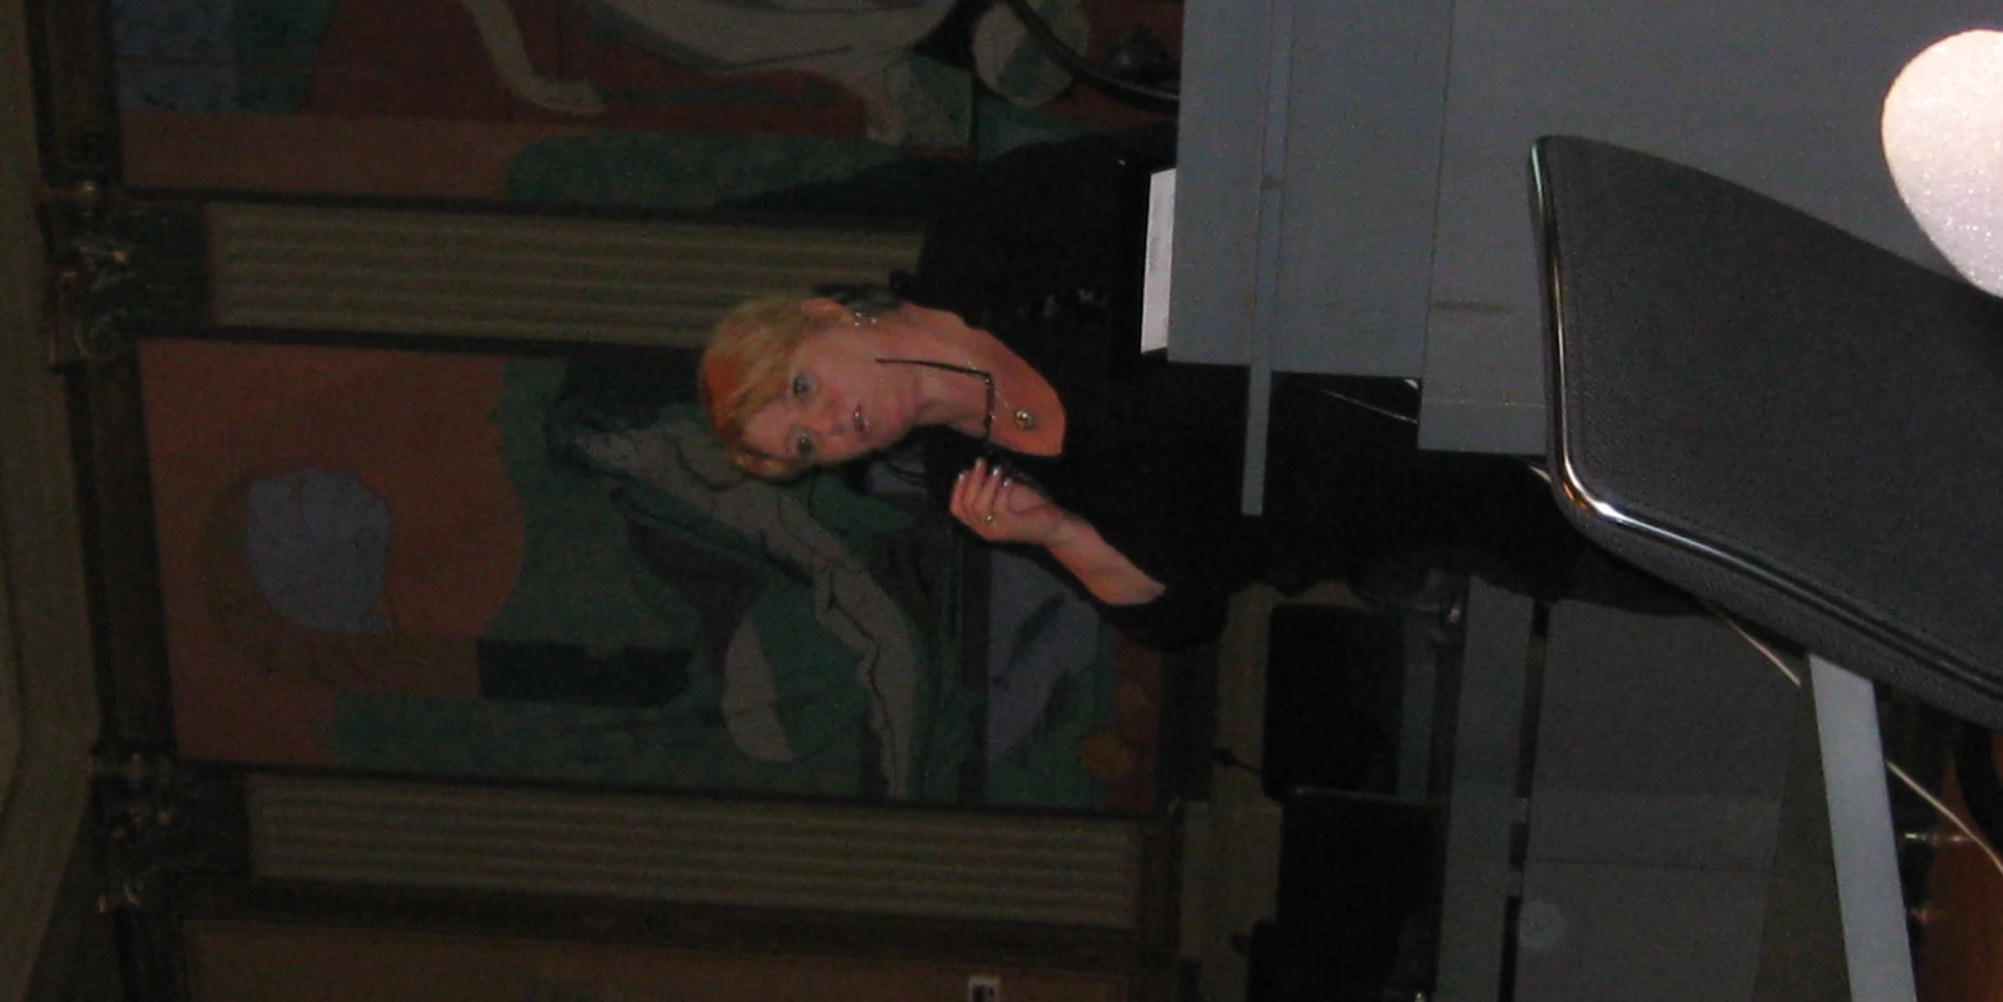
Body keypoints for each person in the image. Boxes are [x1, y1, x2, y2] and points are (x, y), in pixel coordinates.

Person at [703, 133, 1685, 649]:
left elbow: (1196, 164)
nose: (827, 426)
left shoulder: (984, 233)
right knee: (1694, 555)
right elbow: (1179, 614)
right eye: (803, 446)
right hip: (1413, 513)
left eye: (800, 389)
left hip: (1426, 330)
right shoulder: (982, 490)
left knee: (1683, 380)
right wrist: (1058, 536)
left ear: (827, 316)